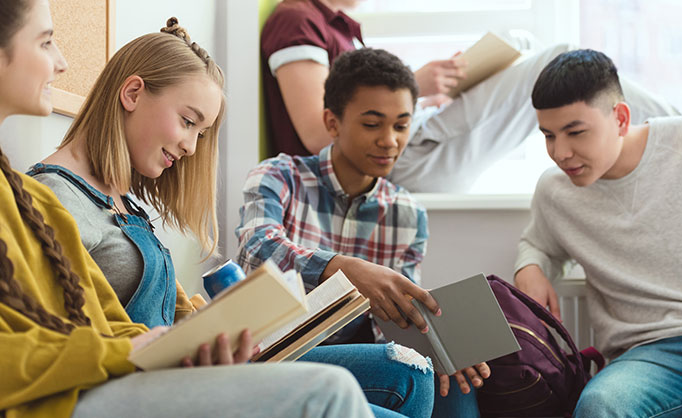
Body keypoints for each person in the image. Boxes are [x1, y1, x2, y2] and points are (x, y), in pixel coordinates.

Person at [28, 16, 430, 418]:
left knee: (414, 375)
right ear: (133, 93)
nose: (190, 147)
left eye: (200, 133)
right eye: (188, 122)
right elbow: (65, 335)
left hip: (174, 371)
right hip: (142, 383)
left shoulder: (121, 202)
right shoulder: (54, 198)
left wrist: (208, 325)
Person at [239, 47, 490, 418]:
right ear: (333, 122)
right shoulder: (279, 176)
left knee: (453, 382)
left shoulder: (408, 215)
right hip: (276, 351)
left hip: (359, 357)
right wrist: (344, 270)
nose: (389, 140)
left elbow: (393, 323)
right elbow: (256, 248)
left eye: (402, 125)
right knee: (406, 370)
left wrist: (443, 348)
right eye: (373, 124)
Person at [513, 49, 682, 418]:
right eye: (549, 135)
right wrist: (531, 267)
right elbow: (537, 244)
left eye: (575, 132)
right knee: (599, 406)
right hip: (648, 358)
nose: (560, 152)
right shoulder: (556, 191)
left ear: (620, 118)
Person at [261, 0, 680, 192]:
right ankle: (681, 130)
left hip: (416, 148)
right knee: (559, 57)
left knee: (522, 44)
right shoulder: (298, 19)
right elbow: (320, 134)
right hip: (405, 161)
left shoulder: (344, 28)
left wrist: (427, 96)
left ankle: (679, 134)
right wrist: (414, 87)